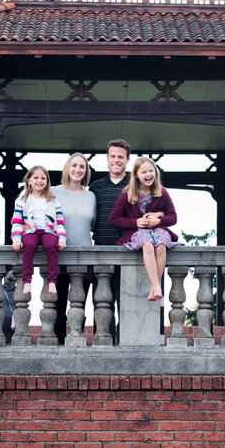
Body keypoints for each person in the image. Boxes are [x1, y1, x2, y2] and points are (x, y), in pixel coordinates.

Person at [109, 156, 180, 300]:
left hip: (159, 230)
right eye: (143, 172)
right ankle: (156, 286)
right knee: (147, 244)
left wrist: (157, 220)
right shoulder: (127, 194)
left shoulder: (162, 192)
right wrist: (136, 222)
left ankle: (155, 286)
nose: (148, 175)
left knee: (161, 245)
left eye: (151, 171)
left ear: (155, 172)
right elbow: (114, 218)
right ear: (136, 175)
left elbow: (173, 217)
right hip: (137, 231)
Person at [51, 153, 96, 344]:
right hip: (59, 255)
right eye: (74, 166)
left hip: (84, 257)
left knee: (80, 303)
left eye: (82, 167)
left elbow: (92, 224)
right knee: (57, 304)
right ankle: (58, 344)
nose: (78, 170)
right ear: (67, 168)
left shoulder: (90, 196)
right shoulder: (52, 192)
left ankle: (77, 342)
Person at [89, 139, 131, 342]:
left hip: (130, 251)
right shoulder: (95, 187)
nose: (116, 160)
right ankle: (103, 344)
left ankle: (126, 345)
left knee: (128, 303)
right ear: (107, 160)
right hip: (101, 252)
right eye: (112, 156)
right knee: (101, 304)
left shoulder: (136, 184)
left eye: (120, 157)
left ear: (127, 160)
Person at [10, 166, 66, 295]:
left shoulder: (52, 200)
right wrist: (16, 239)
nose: (39, 181)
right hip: (31, 231)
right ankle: (27, 281)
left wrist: (62, 238)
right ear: (29, 180)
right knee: (28, 245)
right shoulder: (22, 200)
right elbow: (17, 222)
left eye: (43, 178)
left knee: (51, 245)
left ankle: (52, 281)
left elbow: (60, 221)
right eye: (36, 178)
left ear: (47, 182)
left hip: (48, 230)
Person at [2, 271, 16, 344]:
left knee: (5, 336)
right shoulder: (17, 290)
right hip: (14, 316)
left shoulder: (1, 289)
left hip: (3, 316)